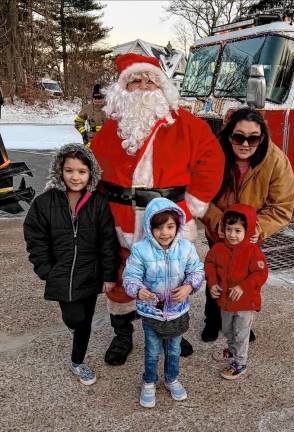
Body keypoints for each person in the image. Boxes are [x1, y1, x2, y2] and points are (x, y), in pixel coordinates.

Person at [91, 53, 225, 366]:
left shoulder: (186, 124)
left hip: (169, 217)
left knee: (172, 274)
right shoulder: (111, 129)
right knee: (124, 274)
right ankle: (122, 333)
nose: (142, 86)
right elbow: (93, 170)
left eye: (149, 79)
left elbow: (212, 162)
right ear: (122, 89)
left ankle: (172, 331)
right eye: (134, 80)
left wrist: (193, 204)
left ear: (161, 83)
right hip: (122, 218)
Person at [23, 144, 120, 385]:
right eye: (69, 170)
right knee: (73, 318)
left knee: (84, 321)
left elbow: (108, 241)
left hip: (90, 273)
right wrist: (45, 269)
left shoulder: (98, 202)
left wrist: (108, 275)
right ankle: (75, 327)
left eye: (81, 171)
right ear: (60, 171)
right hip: (61, 275)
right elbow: (35, 236)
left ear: (91, 174)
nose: (75, 177)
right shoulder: (45, 202)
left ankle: (77, 361)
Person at [201, 107, 294, 343]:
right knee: (216, 271)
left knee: (245, 276)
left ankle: (242, 320)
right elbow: (199, 195)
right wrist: (218, 221)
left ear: (261, 137)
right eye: (238, 136)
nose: (245, 144)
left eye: (253, 138)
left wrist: (256, 228)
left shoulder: (276, 161)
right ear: (228, 135)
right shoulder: (213, 154)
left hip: (250, 237)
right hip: (219, 231)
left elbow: (282, 206)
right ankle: (213, 318)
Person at [123, 197, 204, 407]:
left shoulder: (186, 248)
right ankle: (149, 381)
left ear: (178, 226)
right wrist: (139, 291)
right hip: (151, 314)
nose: (165, 233)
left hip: (177, 312)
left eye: (170, 226)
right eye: (158, 227)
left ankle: (171, 379)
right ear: (150, 228)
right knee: (152, 351)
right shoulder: (141, 250)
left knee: (174, 350)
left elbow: (197, 271)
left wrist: (188, 287)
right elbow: (130, 277)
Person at [205, 203, 268, 379]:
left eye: (238, 231)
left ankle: (240, 363)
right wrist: (213, 283)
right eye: (229, 229)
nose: (232, 235)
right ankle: (232, 351)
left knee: (241, 333)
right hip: (225, 301)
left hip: (244, 303)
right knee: (227, 329)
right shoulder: (218, 248)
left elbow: (261, 273)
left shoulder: (252, 251)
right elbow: (209, 264)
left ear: (247, 231)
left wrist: (244, 286)